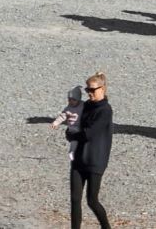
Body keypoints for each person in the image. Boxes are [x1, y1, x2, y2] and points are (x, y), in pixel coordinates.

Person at [67, 72, 112, 227]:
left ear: (103, 89)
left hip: (95, 160)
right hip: (79, 159)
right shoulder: (85, 106)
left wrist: (73, 135)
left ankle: (106, 227)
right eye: (88, 90)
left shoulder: (105, 110)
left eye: (93, 90)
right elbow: (75, 125)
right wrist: (70, 131)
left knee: (92, 201)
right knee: (74, 199)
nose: (90, 93)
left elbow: (89, 134)